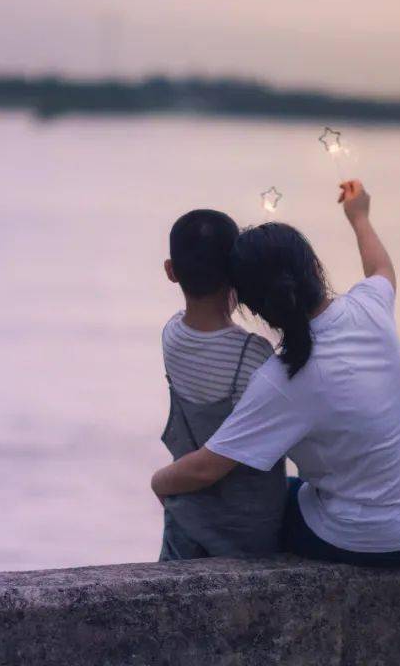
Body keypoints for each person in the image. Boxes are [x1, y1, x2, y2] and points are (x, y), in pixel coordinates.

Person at [151, 182, 400, 566]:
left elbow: (206, 468)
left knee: (274, 508)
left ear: (254, 307)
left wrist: (159, 481)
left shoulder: (281, 379)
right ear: (314, 267)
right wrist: (359, 216)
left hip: (377, 539)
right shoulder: (368, 308)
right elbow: (381, 268)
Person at [157, 209, 285, 560]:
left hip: (185, 518)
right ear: (236, 272)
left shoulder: (171, 336)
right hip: (245, 533)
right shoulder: (254, 355)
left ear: (171, 271)